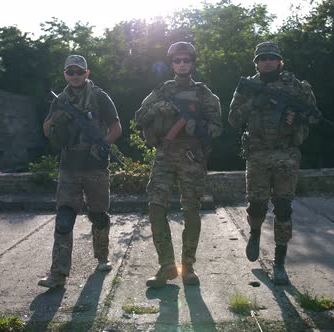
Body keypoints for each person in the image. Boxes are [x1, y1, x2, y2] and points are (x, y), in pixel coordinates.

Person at [228, 41, 319, 285]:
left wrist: (297, 116)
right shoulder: (248, 87)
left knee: (283, 209)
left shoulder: (296, 87)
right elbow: (234, 120)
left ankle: (279, 263)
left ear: (280, 61)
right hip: (257, 154)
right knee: (256, 205)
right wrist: (254, 102)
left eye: (272, 57)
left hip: (286, 154)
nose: (267, 61)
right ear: (256, 63)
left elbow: (313, 115)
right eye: (263, 58)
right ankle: (255, 233)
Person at [135, 42, 222, 288]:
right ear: (172, 63)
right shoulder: (162, 91)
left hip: (191, 156)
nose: (182, 64)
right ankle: (166, 266)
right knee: (156, 207)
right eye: (177, 60)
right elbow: (139, 116)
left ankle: (189, 267)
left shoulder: (205, 94)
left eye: (186, 60)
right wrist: (158, 107)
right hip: (164, 154)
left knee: (191, 211)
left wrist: (199, 128)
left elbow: (218, 128)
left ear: (193, 63)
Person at [39, 55, 122, 288]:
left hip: (95, 166)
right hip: (69, 167)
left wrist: (102, 143)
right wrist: (58, 118)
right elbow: (47, 130)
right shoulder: (60, 100)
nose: (74, 76)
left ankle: (102, 258)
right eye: (70, 72)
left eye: (79, 72)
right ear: (65, 74)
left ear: (87, 73)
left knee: (98, 215)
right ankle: (58, 274)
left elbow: (116, 128)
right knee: (64, 219)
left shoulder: (99, 97)